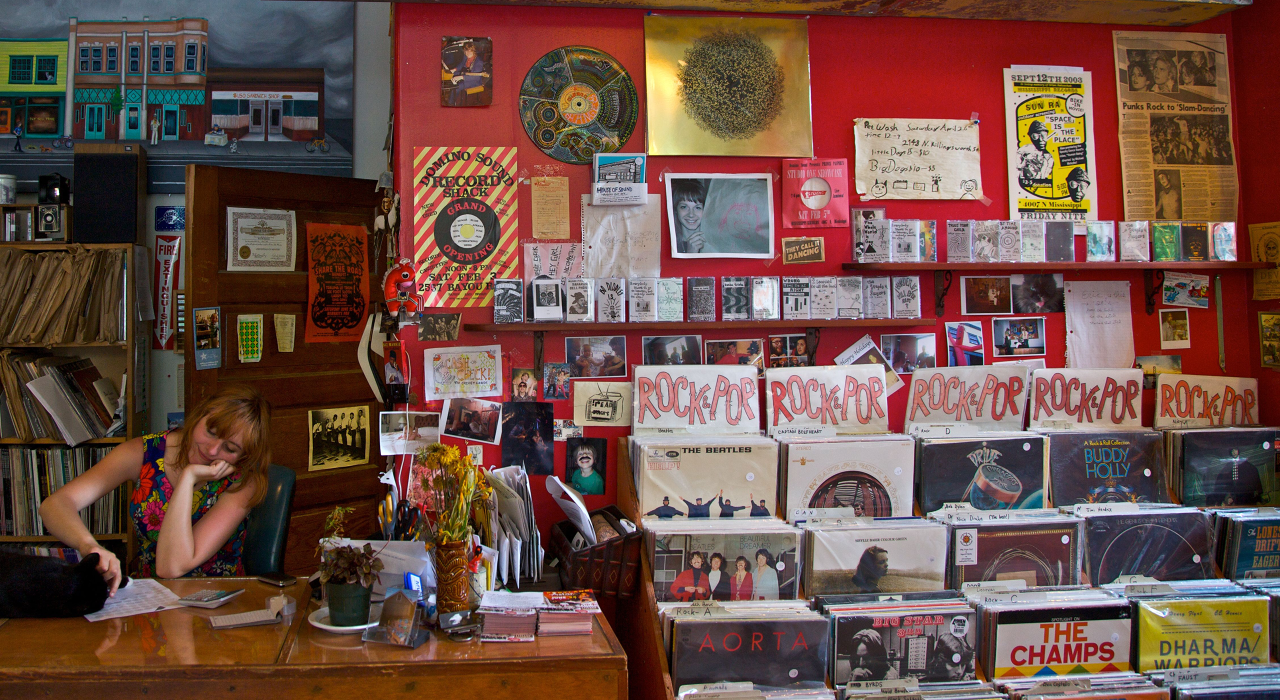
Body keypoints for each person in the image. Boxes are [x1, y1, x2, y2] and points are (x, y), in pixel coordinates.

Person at [40, 385, 271, 591]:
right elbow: (55, 505)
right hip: (147, 598)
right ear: (198, 416)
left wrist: (188, 477)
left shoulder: (243, 481)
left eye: (229, 448)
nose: (211, 451)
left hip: (216, 603)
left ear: (243, 456)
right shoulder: (145, 452)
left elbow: (171, 567)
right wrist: (88, 545)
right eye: (210, 432)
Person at [444, 41, 489, 107]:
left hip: (474, 81)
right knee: (453, 75)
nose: (467, 53)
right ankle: (452, 94)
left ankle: (451, 103)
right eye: (466, 51)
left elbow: (475, 77)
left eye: (470, 51)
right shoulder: (466, 57)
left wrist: (461, 77)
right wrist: (455, 69)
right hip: (466, 74)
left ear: (474, 51)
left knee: (457, 87)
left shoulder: (479, 62)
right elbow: (461, 64)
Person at [671, 179, 708, 254]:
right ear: (676, 209)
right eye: (684, 207)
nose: (691, 214)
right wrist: (690, 253)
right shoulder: (670, 244)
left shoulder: (715, 244)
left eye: (697, 208)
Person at [1017, 120, 1055, 189]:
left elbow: (1044, 176)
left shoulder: (1049, 158)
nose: (1041, 140)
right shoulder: (1023, 152)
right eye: (1035, 136)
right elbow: (1017, 169)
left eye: (1044, 136)